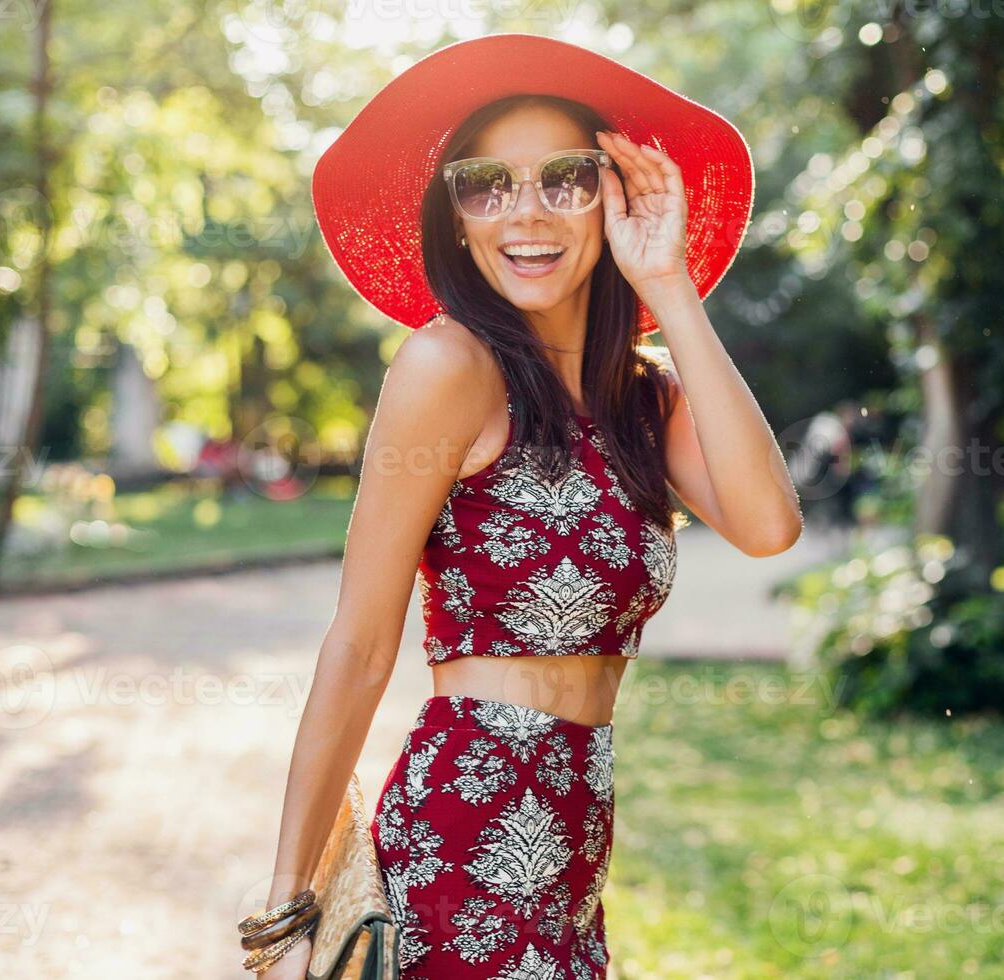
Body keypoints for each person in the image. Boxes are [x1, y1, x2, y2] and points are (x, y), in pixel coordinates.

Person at [246, 34, 804, 980]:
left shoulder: (643, 396)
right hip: (462, 843)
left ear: (612, 194)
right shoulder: (448, 369)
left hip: (575, 847)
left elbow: (768, 524)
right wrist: (288, 906)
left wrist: (668, 284)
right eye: (487, 185)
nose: (527, 213)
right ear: (455, 219)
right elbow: (361, 640)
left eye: (566, 178)